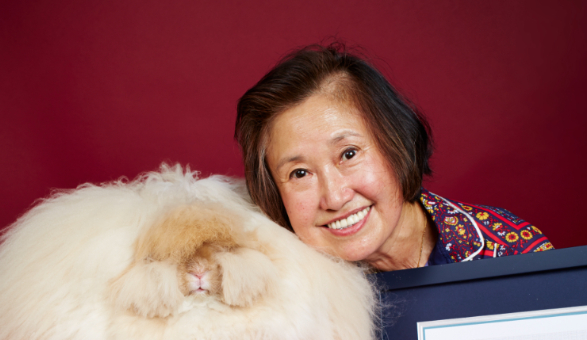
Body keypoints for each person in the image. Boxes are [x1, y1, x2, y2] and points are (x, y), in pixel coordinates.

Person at [235, 44, 553, 272]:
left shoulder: (510, 254)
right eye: (300, 173)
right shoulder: (279, 296)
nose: (333, 197)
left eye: (348, 154)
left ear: (396, 144)